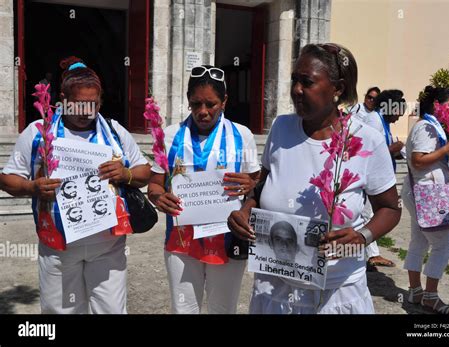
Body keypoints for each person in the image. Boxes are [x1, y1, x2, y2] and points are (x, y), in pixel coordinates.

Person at [228, 43, 401, 314]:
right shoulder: (281, 127)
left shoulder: (367, 140)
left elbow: (390, 208)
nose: (297, 89)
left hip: (336, 291)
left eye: (307, 82)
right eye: (295, 80)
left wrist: (362, 236)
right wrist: (245, 209)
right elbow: (263, 185)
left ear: (338, 88)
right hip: (276, 287)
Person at [0, 56, 151, 314]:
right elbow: (7, 179)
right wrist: (31, 188)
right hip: (59, 247)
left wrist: (125, 173)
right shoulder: (38, 132)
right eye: (79, 105)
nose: (86, 113)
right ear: (62, 99)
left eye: (93, 105)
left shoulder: (114, 132)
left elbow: (145, 171)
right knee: (61, 312)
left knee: (111, 310)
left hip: (108, 247)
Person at [147, 65, 260, 314]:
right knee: (184, 309)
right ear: (188, 101)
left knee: (223, 309)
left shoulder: (242, 135)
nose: (203, 112)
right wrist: (158, 197)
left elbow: (256, 185)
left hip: (228, 237)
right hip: (181, 240)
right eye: (196, 104)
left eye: (211, 104)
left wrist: (251, 184)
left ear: (225, 101)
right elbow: (155, 184)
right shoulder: (170, 136)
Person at [402, 86, 449, 314]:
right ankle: (430, 296)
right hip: (426, 194)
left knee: (419, 240)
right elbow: (418, 161)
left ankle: (416, 291)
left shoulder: (429, 126)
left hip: (422, 193)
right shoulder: (426, 127)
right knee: (444, 245)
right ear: (437, 104)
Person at [351, 86, 396, 269]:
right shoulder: (372, 119)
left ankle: (369, 253)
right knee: (367, 214)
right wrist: (394, 148)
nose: (371, 101)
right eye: (369, 97)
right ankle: (370, 254)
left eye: (374, 99)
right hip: (366, 172)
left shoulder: (380, 120)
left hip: (376, 174)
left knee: (367, 214)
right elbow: (371, 150)